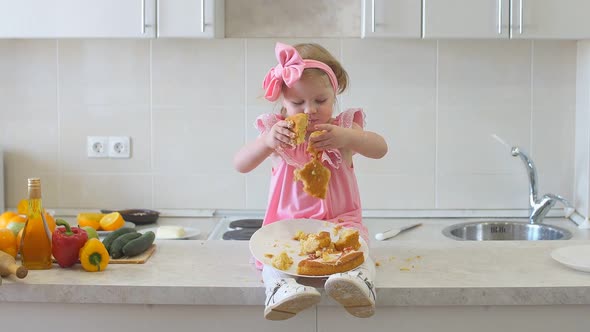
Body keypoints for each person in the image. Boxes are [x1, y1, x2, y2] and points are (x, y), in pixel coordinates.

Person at [233, 42, 388, 320]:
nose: (310, 110)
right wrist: (268, 142)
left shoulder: (343, 129)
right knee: (272, 260)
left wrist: (349, 138)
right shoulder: (277, 134)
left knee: (359, 255)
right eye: (297, 103)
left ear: (335, 92)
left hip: (340, 224)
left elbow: (380, 148)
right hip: (286, 228)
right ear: (281, 100)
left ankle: (357, 284)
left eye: (320, 101)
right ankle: (281, 289)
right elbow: (240, 164)